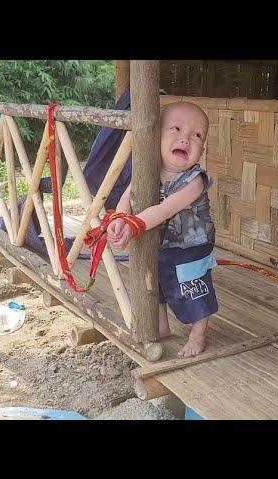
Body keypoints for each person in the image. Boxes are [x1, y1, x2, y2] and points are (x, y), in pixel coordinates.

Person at [107, 102, 217, 357]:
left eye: (196, 135)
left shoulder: (195, 181)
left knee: (194, 288)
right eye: (176, 129)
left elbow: (167, 209)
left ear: (203, 148)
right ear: (156, 136)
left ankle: (197, 336)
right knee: (156, 283)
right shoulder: (148, 171)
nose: (185, 139)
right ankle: (161, 327)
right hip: (161, 243)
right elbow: (128, 198)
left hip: (191, 246)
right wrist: (119, 221)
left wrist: (134, 225)